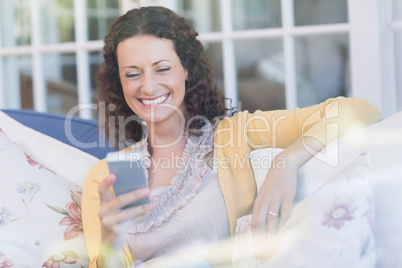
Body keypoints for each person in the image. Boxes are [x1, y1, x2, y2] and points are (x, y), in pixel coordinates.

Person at [82, 6, 381, 267]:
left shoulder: (234, 136)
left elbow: (360, 110)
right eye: (132, 74)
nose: (148, 87)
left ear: (186, 69)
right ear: (119, 81)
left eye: (162, 68)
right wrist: (110, 238)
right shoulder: (105, 177)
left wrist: (287, 160)